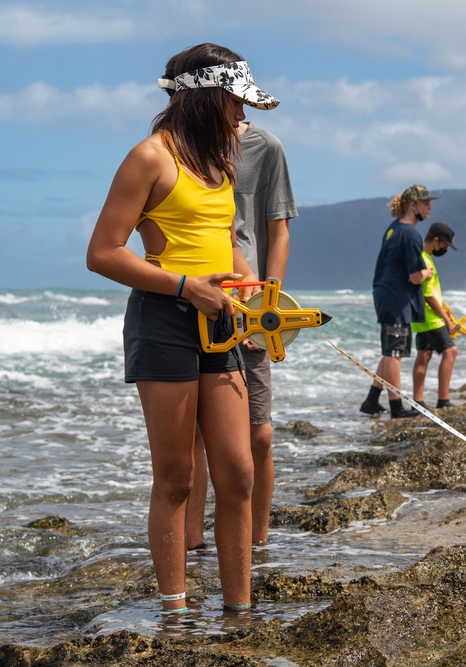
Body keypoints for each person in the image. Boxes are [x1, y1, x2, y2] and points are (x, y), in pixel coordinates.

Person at [85, 43, 280, 614]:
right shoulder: (149, 158)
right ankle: (175, 613)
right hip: (164, 319)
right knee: (175, 476)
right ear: (207, 99)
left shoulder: (222, 161)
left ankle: (239, 612)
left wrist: (258, 298)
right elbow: (102, 253)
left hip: (221, 322)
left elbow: (227, 249)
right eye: (237, 104)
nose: (244, 116)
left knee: (239, 472)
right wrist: (182, 285)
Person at [185, 120, 297, 550]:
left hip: (248, 304)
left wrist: (268, 304)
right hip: (190, 298)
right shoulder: (173, 146)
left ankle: (258, 542)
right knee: (192, 434)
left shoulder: (264, 146)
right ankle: (193, 546)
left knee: (259, 433)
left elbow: (278, 229)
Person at [359, 184, 435, 418]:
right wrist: (427, 273)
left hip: (386, 293)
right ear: (413, 206)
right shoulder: (411, 233)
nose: (429, 208)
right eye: (425, 203)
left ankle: (372, 400)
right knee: (394, 353)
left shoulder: (393, 229)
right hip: (396, 298)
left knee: (390, 350)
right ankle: (396, 408)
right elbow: (414, 277)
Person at [411, 222, 459, 409]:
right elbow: (428, 296)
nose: (444, 249)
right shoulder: (424, 260)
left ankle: (418, 401)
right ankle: (443, 400)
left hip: (422, 317)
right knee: (450, 351)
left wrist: (445, 306)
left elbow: (431, 292)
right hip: (431, 318)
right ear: (436, 240)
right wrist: (447, 321)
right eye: (444, 246)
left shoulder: (424, 258)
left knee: (424, 354)